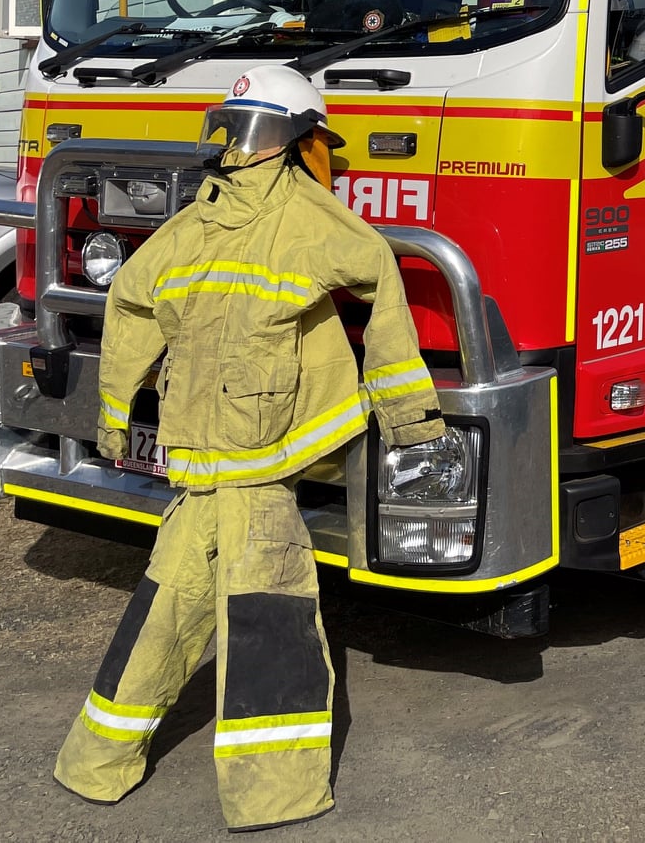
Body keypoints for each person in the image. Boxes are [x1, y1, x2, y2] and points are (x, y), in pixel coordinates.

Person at [54, 65, 459, 829]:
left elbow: (131, 305)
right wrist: (409, 416)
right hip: (259, 471)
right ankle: (273, 792)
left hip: (198, 464)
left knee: (167, 608)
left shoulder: (189, 222)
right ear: (305, 140)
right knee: (272, 620)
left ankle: (94, 760)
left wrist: (113, 417)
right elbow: (380, 274)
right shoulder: (312, 218)